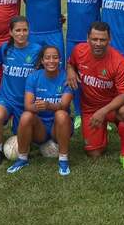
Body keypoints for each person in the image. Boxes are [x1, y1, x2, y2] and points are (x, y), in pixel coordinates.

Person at [67, 21, 124, 171]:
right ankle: (101, 132)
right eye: (94, 39)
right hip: (90, 109)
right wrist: (70, 70)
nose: (98, 43)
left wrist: (103, 111)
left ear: (109, 39)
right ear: (87, 39)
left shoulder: (118, 61)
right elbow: (70, 63)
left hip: (112, 107)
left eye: (102, 40)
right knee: (94, 153)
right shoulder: (78, 51)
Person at [8, 45, 74, 175]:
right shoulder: (34, 77)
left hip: (59, 126)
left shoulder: (66, 77)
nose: (51, 61)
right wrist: (38, 106)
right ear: (42, 61)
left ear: (60, 60)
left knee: (61, 114)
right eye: (47, 58)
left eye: (55, 58)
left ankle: (63, 160)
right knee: (26, 115)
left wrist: (48, 105)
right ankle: (22, 159)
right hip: (40, 128)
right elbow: (28, 105)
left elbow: (65, 105)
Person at [0, 16, 42, 164]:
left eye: (25, 30)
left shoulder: (37, 50)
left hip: (27, 102)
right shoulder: (5, 49)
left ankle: (25, 136)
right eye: (17, 30)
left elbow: (45, 75)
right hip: (6, 98)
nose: (21, 34)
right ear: (11, 32)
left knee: (28, 140)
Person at [62, 0, 105, 130]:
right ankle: (79, 113)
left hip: (94, 39)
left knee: (97, 78)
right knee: (74, 78)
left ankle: (101, 111)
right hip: (72, 38)